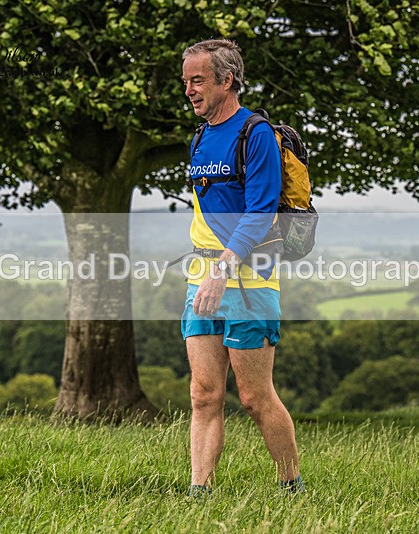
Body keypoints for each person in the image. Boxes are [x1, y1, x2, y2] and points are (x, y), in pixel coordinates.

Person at [180, 38, 304, 497]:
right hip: (202, 277)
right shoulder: (198, 137)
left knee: (254, 397)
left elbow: (260, 210)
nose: (189, 90)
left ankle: (292, 486)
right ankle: (200, 493)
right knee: (203, 394)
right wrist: (205, 269)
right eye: (186, 81)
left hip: (249, 278)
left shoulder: (256, 134)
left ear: (226, 80)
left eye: (198, 80)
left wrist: (224, 268)